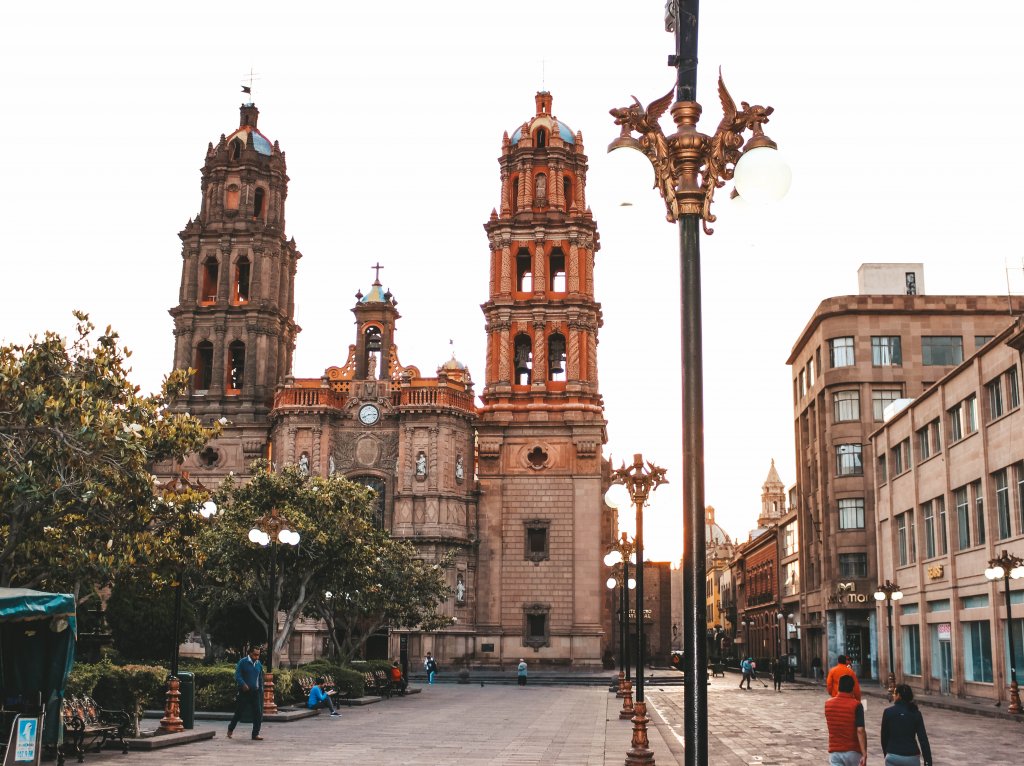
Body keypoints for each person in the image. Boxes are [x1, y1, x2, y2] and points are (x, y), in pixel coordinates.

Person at [880, 684, 932, 766]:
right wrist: (928, 761)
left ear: (898, 696)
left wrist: (886, 754)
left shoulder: (888, 712)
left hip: (893, 755)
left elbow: (884, 737)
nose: (893, 696)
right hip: (912, 756)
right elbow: (923, 739)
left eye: (894, 694)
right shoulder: (916, 713)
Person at [825, 674, 867, 766]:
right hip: (853, 751)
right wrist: (864, 753)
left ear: (839, 686)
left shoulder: (828, 704)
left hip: (835, 751)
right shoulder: (857, 705)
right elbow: (860, 730)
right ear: (852, 688)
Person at [227, 646, 264, 740]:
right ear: (250, 653)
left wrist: (260, 689)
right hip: (244, 692)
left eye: (258, 655)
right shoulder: (243, 662)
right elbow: (237, 675)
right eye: (255, 655)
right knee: (239, 712)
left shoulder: (259, 664)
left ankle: (255, 734)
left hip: (255, 692)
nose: (257, 657)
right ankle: (230, 728)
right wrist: (243, 684)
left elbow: (260, 678)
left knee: (258, 713)